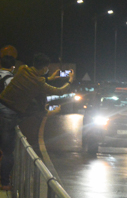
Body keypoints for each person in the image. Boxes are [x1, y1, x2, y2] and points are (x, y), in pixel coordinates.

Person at [0, 53, 74, 190]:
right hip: (10, 113)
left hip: (1, 104)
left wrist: (50, 78)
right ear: (45, 67)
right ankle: (4, 183)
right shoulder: (39, 83)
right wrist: (70, 80)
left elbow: (32, 80)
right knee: (8, 152)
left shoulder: (23, 69)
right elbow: (59, 91)